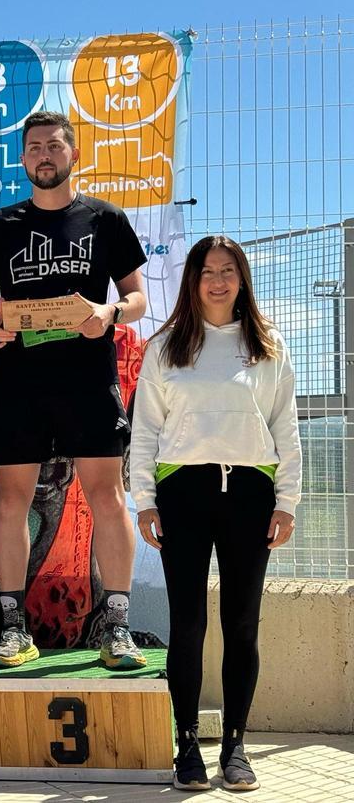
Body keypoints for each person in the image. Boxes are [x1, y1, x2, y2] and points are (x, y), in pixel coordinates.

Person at [0, 110, 149, 669]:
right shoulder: (2, 226)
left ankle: (116, 624)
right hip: (20, 385)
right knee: (11, 502)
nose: (44, 155)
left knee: (108, 500)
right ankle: (14, 627)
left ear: (74, 154)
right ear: (23, 160)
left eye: (54, 146)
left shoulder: (106, 220)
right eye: (34, 147)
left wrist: (108, 310)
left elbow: (138, 297)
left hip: (89, 383)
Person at [131, 236, 300, 792]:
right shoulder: (167, 346)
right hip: (184, 493)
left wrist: (286, 502)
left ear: (242, 278)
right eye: (208, 271)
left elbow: (286, 429)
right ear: (192, 280)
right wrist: (146, 500)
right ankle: (186, 747)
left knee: (242, 625)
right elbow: (146, 431)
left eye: (229, 271)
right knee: (188, 624)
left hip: (250, 494)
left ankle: (235, 746)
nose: (219, 280)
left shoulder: (267, 345)